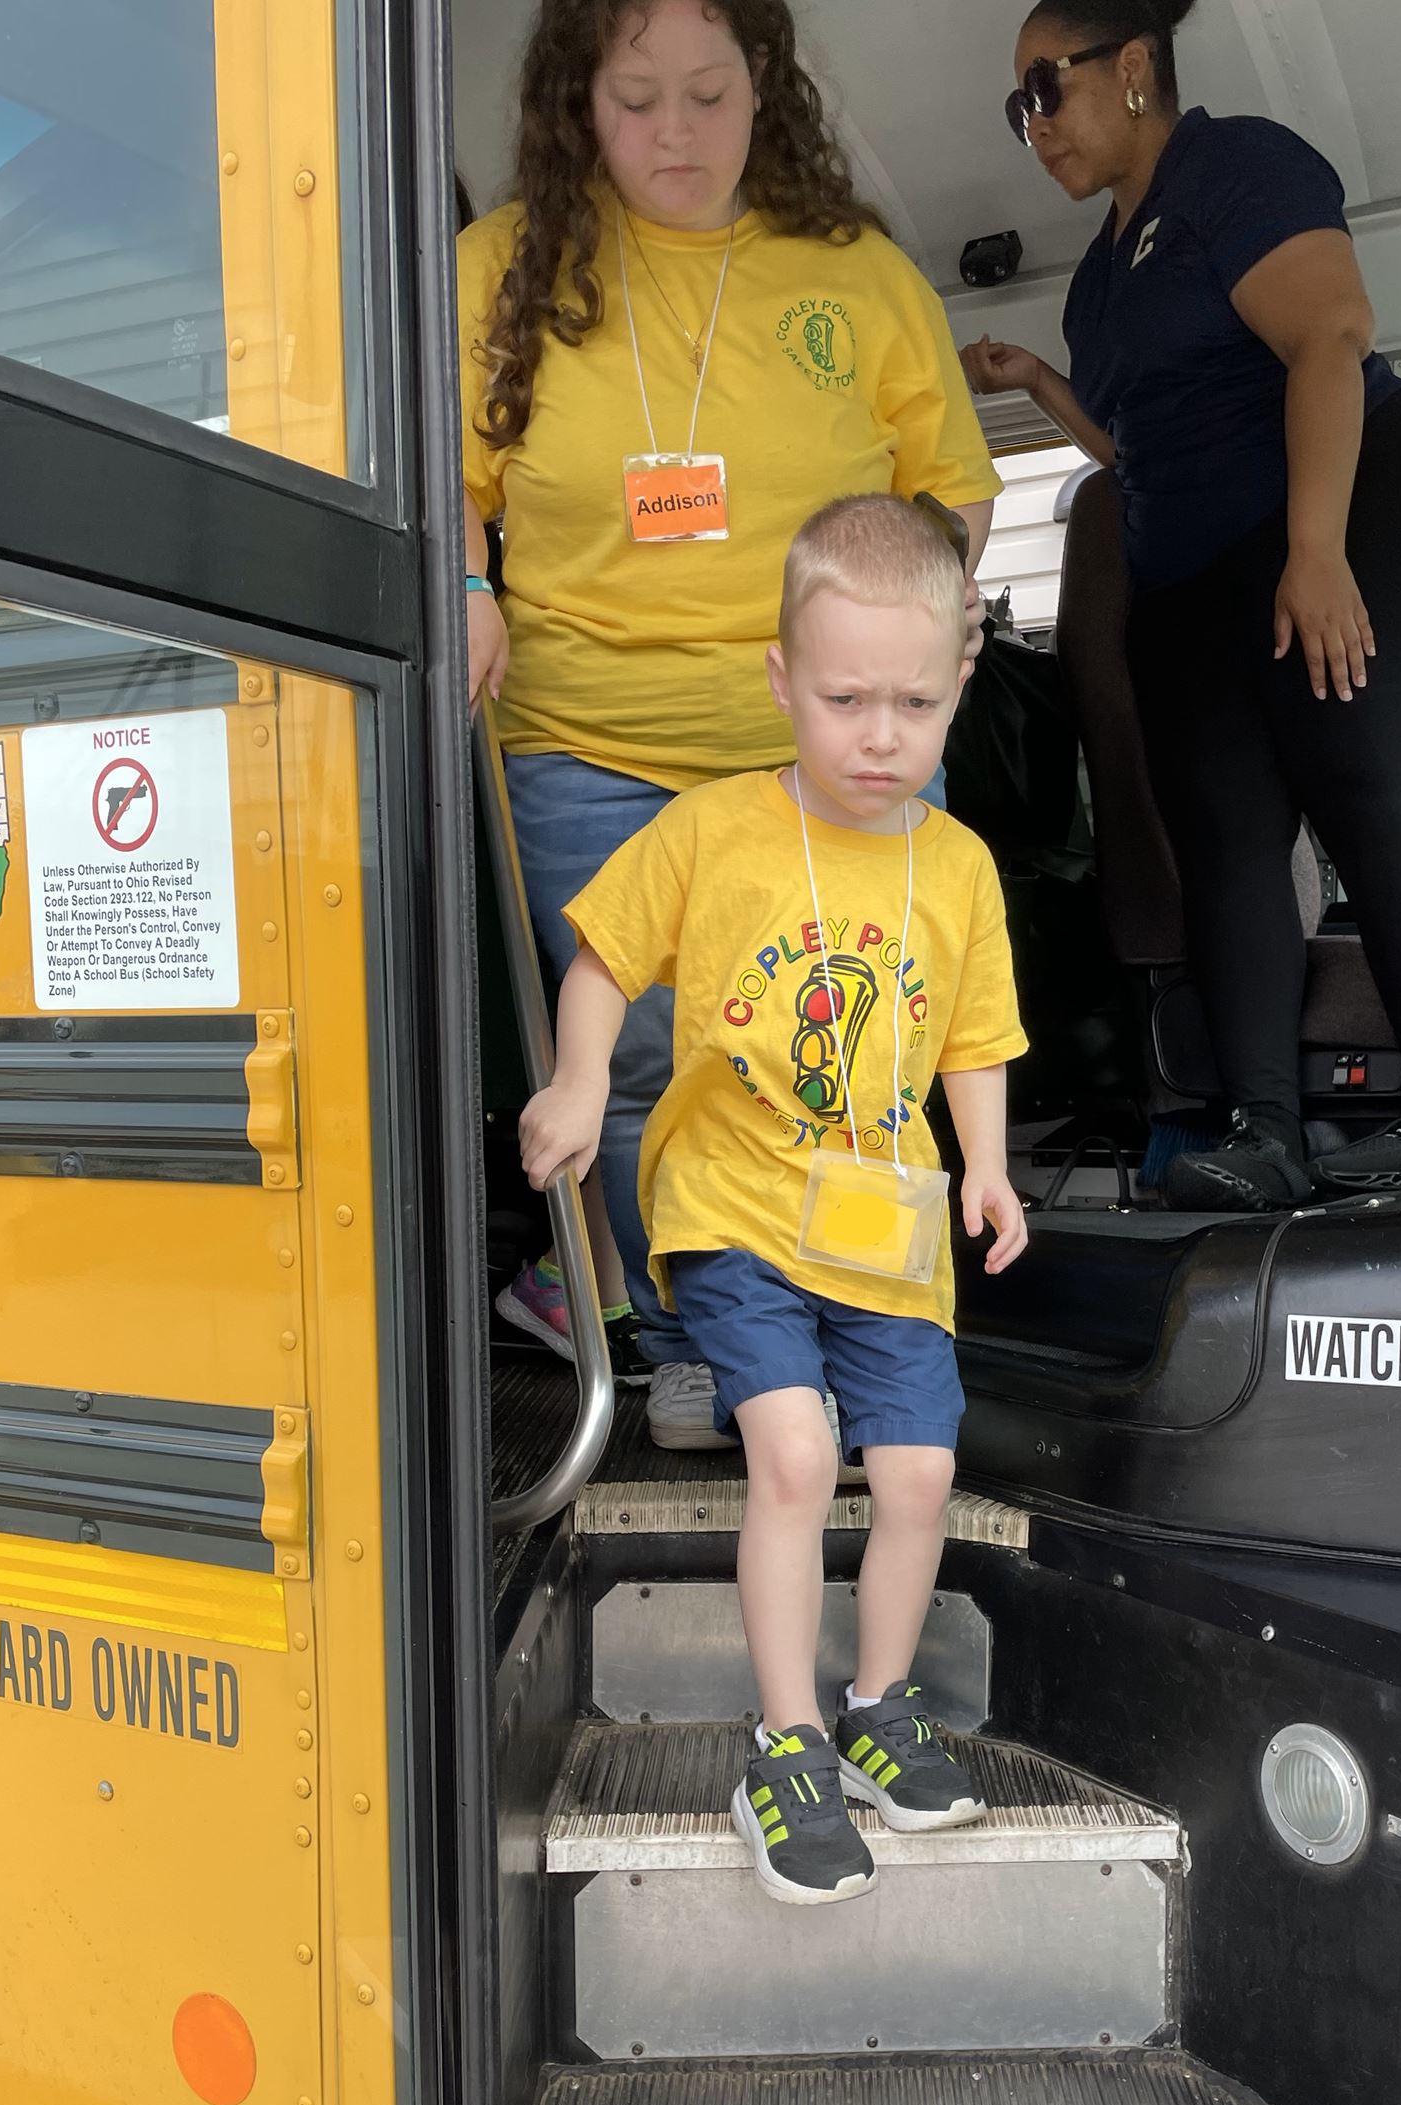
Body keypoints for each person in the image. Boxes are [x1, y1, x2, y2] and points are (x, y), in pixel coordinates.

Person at [459, 0, 1001, 1446]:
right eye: (636, 100)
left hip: (824, 746)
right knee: (639, 1061)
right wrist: (465, 578)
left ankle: (853, 1312)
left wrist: (902, 651)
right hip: (587, 741)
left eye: (710, 93)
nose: (675, 133)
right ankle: (686, 1338)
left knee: (854, 1050)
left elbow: (951, 485)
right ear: (577, 103)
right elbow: (445, 466)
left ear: (765, 90)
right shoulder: (501, 268)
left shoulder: (857, 275)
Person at [518, 496, 1029, 1903]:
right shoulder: (712, 832)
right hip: (733, 1210)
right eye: (844, 697)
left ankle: (874, 1709)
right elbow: (604, 961)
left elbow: (976, 1038)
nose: (879, 735)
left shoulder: (961, 866)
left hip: (887, 1232)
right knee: (796, 1458)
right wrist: (574, 1087)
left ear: (957, 686)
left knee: (920, 1472)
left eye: (914, 702)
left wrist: (985, 1166)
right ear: (780, 683)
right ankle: (785, 1741)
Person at [963, 0, 1401, 1210]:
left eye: (1044, 88)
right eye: (1017, 109)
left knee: (1357, 776)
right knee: (1222, 841)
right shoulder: (1101, 280)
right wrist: (1042, 382)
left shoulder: (1236, 166)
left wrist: (1315, 552)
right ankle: (1264, 1127)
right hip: (1195, 569)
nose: (1033, 124)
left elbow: (1328, 338)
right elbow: (1144, 449)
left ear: (1134, 67)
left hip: (1358, 503)